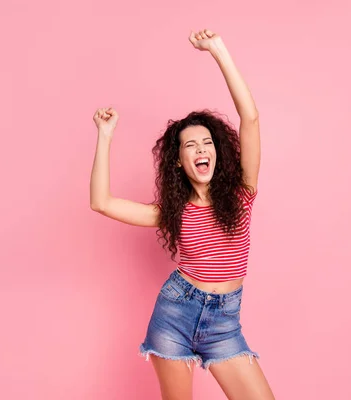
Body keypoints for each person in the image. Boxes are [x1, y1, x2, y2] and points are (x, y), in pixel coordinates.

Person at [90, 29, 275, 400]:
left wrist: (218, 51)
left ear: (218, 152)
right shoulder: (171, 213)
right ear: (179, 161)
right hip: (175, 315)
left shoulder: (242, 194)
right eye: (191, 145)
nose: (201, 149)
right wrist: (105, 135)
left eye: (207, 142)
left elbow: (250, 119)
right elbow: (102, 203)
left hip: (224, 325)